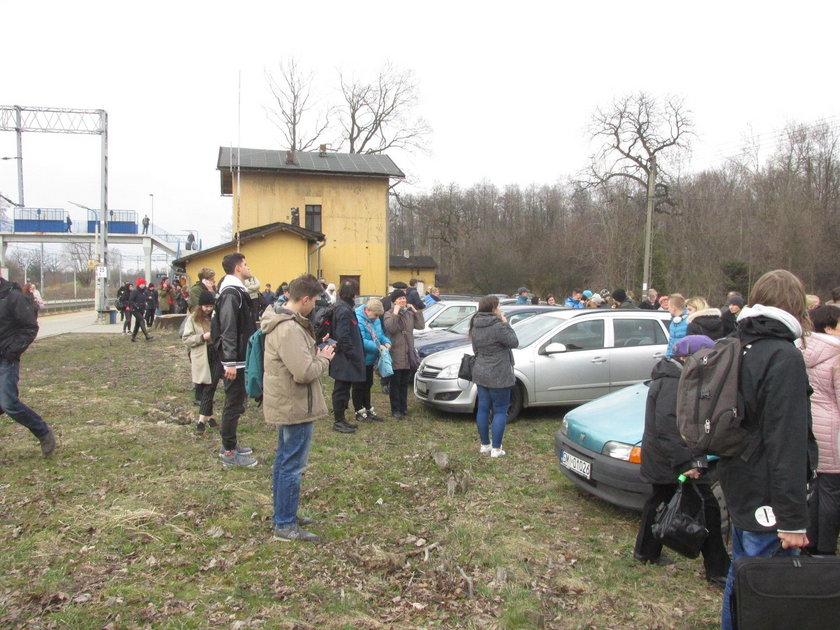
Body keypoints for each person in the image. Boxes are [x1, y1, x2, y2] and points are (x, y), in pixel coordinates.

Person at [719, 269, 815, 630]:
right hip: (766, 490)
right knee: (758, 579)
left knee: (744, 568)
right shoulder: (782, 356)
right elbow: (786, 441)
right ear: (795, 306)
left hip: (739, 475)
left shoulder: (736, 343)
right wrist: (792, 519)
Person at [633, 335, 730, 586]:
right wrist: (687, 465)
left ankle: (645, 552)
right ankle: (719, 571)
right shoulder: (673, 383)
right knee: (707, 507)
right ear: (687, 358)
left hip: (667, 460)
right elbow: (668, 429)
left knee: (659, 500)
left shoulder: (678, 379)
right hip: (673, 462)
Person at [261, 274, 335, 542]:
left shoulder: (284, 322)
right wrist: (324, 359)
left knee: (284, 462)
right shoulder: (289, 328)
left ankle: (285, 512)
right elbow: (304, 372)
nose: (315, 306)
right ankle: (284, 523)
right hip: (295, 405)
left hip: (289, 402)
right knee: (291, 465)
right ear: (305, 299)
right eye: (314, 300)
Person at [0, 275, 55, 456]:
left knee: (9, 403)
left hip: (6, 358)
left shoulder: (13, 296)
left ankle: (43, 432)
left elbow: (30, 327)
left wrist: (12, 351)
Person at [212, 253, 258, 467]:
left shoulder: (237, 292)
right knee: (233, 404)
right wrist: (229, 361)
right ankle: (229, 453)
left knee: (236, 403)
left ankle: (229, 443)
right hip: (234, 360)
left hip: (239, 357)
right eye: (246, 264)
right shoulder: (231, 293)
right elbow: (229, 328)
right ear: (238, 268)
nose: (249, 268)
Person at [802, 305, 840, 554]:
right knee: (831, 490)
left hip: (808, 422)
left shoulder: (803, 350)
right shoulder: (837, 355)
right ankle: (825, 549)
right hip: (832, 428)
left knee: (814, 488)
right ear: (829, 327)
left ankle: (810, 542)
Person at [470, 296, 518, 458]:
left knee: (483, 408)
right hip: (499, 373)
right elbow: (514, 342)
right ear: (493, 308)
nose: (500, 309)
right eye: (499, 307)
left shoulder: (475, 323)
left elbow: (475, 349)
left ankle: (485, 445)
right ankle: (496, 449)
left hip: (481, 371)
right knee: (500, 410)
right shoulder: (497, 325)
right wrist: (505, 322)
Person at [328, 280, 366, 434]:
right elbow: (343, 337)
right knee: (341, 389)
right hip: (344, 358)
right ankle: (338, 421)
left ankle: (342, 419)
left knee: (344, 389)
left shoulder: (343, 307)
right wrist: (354, 354)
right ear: (353, 293)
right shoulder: (343, 310)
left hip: (345, 356)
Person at [183, 290, 222, 434]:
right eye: (206, 306)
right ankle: (209, 418)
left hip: (217, 354)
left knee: (210, 386)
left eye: (210, 306)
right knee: (207, 386)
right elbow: (186, 339)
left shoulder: (216, 317)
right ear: (200, 306)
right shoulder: (193, 319)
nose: (208, 309)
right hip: (203, 354)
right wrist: (202, 337)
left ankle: (201, 421)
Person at [383, 289, 424, 418]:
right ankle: (395, 409)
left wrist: (415, 311)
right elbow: (391, 328)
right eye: (400, 299)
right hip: (395, 352)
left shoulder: (409, 314)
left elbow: (421, 325)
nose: (403, 301)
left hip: (407, 353)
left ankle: (403, 407)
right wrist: (395, 313)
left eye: (404, 298)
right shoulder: (388, 314)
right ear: (394, 301)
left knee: (404, 383)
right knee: (395, 383)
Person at [353, 298, 391, 423]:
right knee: (359, 385)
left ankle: (368, 407)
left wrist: (386, 342)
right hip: (361, 358)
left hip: (371, 359)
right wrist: (377, 346)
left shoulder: (376, 320)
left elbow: (379, 335)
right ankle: (359, 409)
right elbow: (361, 340)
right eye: (375, 315)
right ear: (367, 310)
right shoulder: (359, 319)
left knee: (368, 384)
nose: (376, 318)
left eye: (378, 316)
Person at [129, 278, 153, 342]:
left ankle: (133, 337)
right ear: (138, 284)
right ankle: (147, 335)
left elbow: (144, 299)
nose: (142, 285)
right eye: (141, 284)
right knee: (142, 320)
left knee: (138, 323)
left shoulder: (144, 292)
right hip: (135, 309)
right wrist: (136, 306)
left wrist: (146, 301)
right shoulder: (135, 291)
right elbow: (131, 300)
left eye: (143, 284)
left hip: (141, 309)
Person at [665, 294, 688, 359]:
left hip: (683, 361)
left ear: (673, 307)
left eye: (669, 306)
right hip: (672, 360)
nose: (668, 309)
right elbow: (670, 343)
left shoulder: (689, 321)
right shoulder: (673, 322)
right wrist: (667, 358)